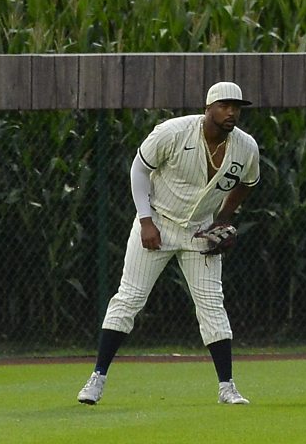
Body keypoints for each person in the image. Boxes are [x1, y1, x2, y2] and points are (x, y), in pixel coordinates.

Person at [77, 81, 260, 406]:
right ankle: (97, 378)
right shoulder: (173, 132)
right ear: (208, 108)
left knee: (211, 304)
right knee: (129, 298)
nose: (232, 112)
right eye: (225, 105)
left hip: (200, 231)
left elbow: (247, 183)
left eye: (237, 107)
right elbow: (139, 169)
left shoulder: (245, 147)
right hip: (157, 222)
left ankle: (227, 387)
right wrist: (145, 220)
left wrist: (224, 218)